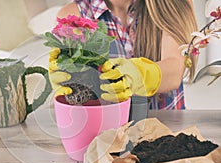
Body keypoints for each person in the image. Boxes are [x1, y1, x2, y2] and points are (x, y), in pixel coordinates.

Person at [50, 0, 198, 109]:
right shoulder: (74, 16)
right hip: (107, 137)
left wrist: (139, 75)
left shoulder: (172, 3)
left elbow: (174, 71)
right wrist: (66, 77)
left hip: (167, 135)